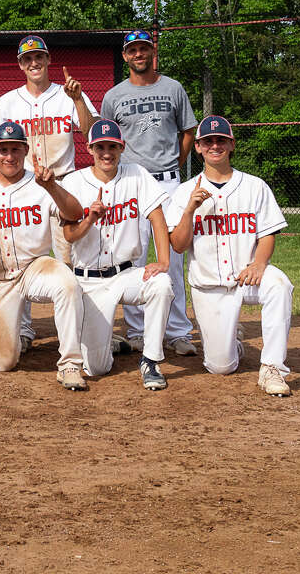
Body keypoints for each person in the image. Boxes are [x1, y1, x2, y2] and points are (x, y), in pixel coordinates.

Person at [165, 116, 294, 397]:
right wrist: (189, 211)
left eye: (220, 140)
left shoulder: (255, 186)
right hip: (209, 286)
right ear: (197, 147)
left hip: (248, 276)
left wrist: (260, 263)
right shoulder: (184, 192)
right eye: (208, 141)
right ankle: (232, 341)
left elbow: (268, 233)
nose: (215, 145)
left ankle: (272, 367)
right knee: (220, 367)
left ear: (231, 144)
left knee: (279, 284)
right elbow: (177, 245)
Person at [0, 35, 97, 351]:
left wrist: (77, 100)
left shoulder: (68, 94)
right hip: (21, 186)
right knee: (22, 257)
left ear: (48, 60)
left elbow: (90, 131)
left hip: (61, 182)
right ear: (20, 64)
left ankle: (75, 330)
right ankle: (22, 328)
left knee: (69, 258)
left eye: (39, 57)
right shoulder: (6, 102)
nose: (33, 63)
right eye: (27, 59)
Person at [101, 29, 199, 356]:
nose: (138, 54)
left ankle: (177, 331)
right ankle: (138, 330)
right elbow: (108, 140)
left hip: (168, 180)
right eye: (132, 50)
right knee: (134, 255)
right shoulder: (114, 96)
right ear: (125, 55)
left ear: (152, 51)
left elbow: (188, 131)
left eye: (143, 48)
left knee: (171, 258)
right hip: (131, 181)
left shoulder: (173, 88)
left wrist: (176, 161)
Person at [0, 121, 86, 378]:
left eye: (15, 150)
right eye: (3, 149)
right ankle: (5, 340)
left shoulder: (39, 182)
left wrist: (51, 186)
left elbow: (76, 213)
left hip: (34, 268)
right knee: (4, 362)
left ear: (26, 150)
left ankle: (71, 364)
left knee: (67, 284)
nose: (9, 156)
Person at [60, 121, 175, 391]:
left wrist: (164, 261)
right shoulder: (74, 181)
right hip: (88, 280)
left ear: (122, 147)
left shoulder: (136, 174)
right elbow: (69, 235)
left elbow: (156, 216)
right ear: (89, 148)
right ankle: (110, 342)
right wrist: (89, 218)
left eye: (112, 146)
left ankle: (151, 360)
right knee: (97, 367)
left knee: (161, 284)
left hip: (126, 273)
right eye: (100, 147)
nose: (106, 153)